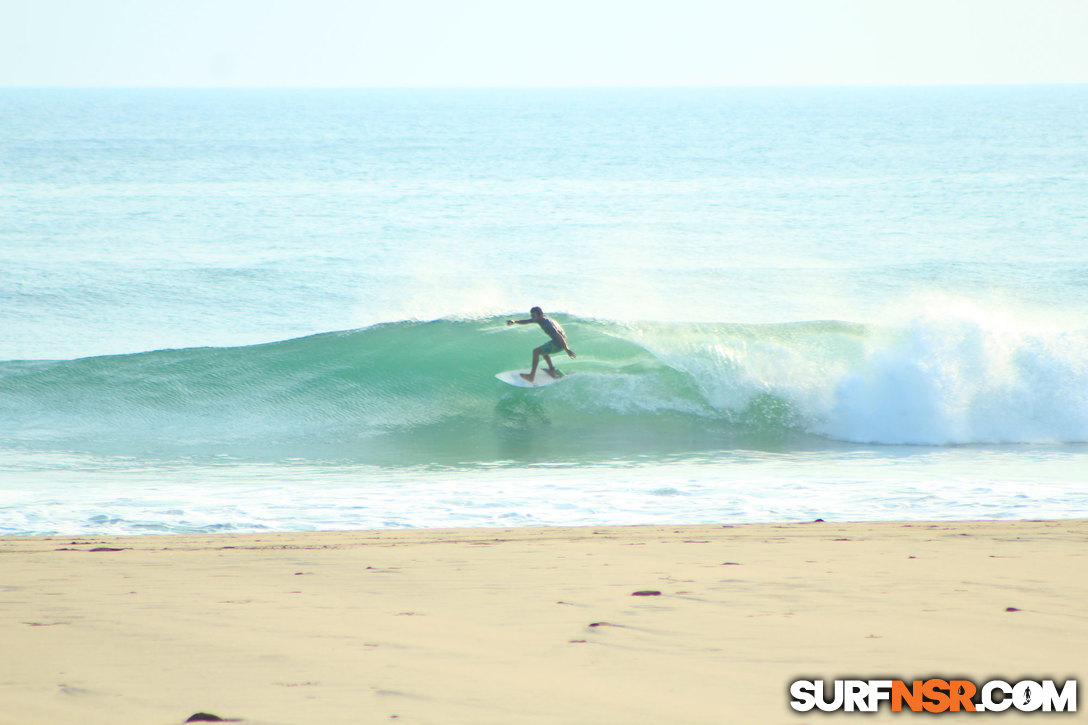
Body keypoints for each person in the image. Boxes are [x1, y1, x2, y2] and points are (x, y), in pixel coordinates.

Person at [506, 307, 576, 382]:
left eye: (534, 316)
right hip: (556, 341)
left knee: (536, 351)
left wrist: (567, 349)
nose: (532, 318)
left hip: (560, 343)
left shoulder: (548, 324)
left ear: (540, 315)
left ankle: (531, 376)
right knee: (543, 350)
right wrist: (514, 321)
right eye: (532, 315)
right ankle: (552, 369)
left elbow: (558, 335)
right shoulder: (540, 319)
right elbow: (527, 321)